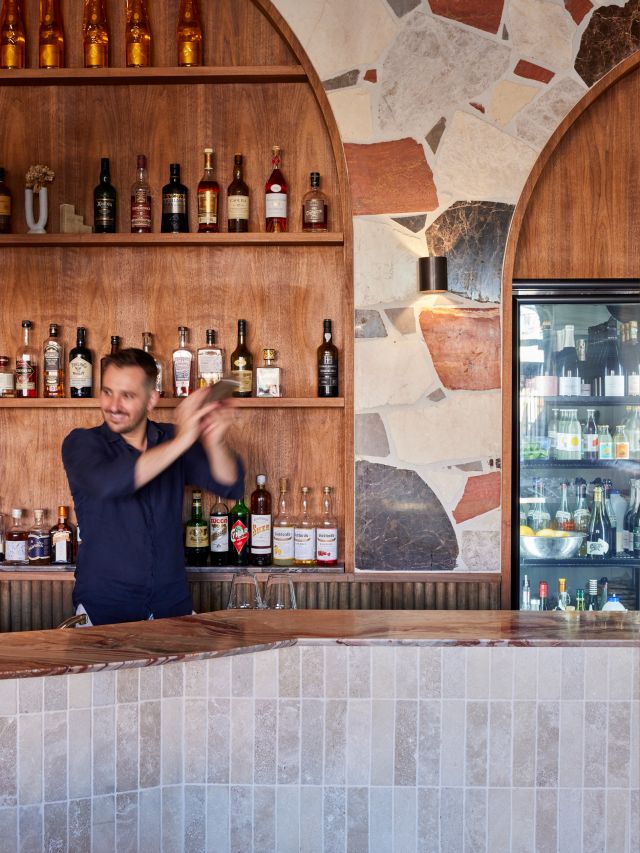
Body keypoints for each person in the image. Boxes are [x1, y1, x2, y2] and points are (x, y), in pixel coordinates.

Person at [62, 347, 243, 626]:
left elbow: (229, 483)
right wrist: (184, 440)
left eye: (128, 395)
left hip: (171, 606)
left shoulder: (169, 439)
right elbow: (112, 482)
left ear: (151, 400)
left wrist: (216, 441)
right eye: (108, 392)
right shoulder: (82, 443)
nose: (113, 405)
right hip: (104, 610)